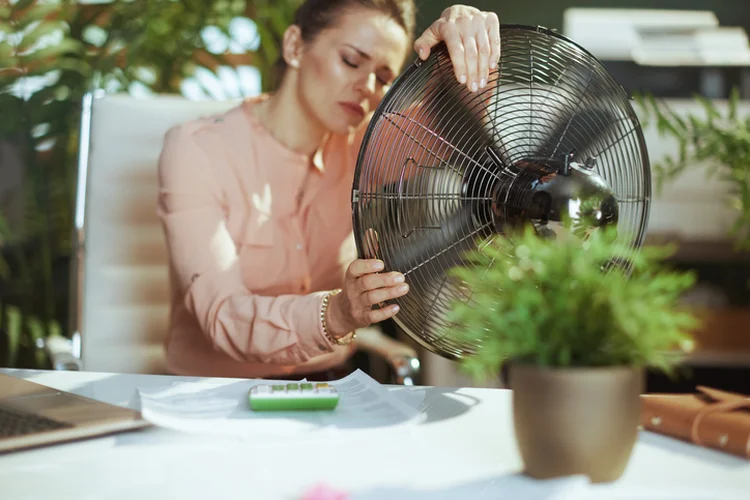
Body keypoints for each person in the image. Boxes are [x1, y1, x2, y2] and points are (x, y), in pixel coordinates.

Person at [157, 0, 501, 379]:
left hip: (330, 389)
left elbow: (456, 134)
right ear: (294, 46)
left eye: (384, 78)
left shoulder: (367, 143)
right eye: (352, 62)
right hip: (211, 396)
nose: (367, 88)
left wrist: (466, 44)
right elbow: (222, 315)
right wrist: (336, 314)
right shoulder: (197, 150)